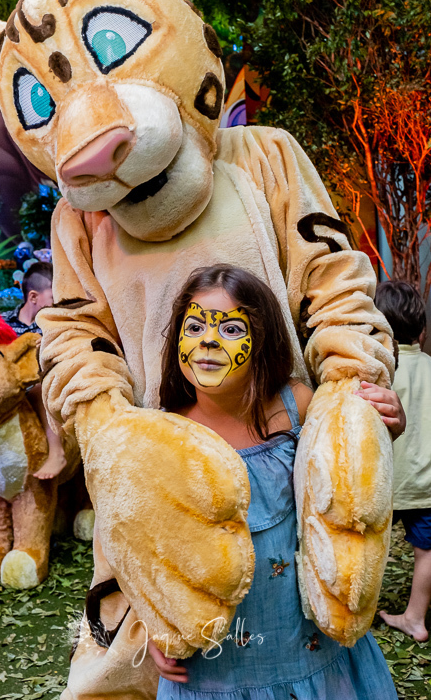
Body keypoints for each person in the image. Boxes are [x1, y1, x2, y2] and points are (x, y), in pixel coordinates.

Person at [149, 264, 403, 699]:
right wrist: (157, 624)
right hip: (216, 662)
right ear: (177, 339)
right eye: (194, 326)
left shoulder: (297, 405)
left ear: (261, 339)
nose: (208, 340)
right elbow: (150, 549)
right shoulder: (164, 435)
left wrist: (385, 423)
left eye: (231, 328)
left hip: (309, 642)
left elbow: (351, 477)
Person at [0, 262, 64, 515]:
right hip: (8, 392)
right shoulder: (3, 325)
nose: (58, 303)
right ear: (33, 297)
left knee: (37, 385)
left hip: (41, 386)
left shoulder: (55, 325)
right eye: (54, 297)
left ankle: (57, 451)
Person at [375, 281, 431, 642]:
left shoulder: (379, 375)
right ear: (422, 334)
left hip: (385, 483)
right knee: (427, 551)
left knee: (367, 546)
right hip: (427, 485)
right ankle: (415, 618)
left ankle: (357, 612)